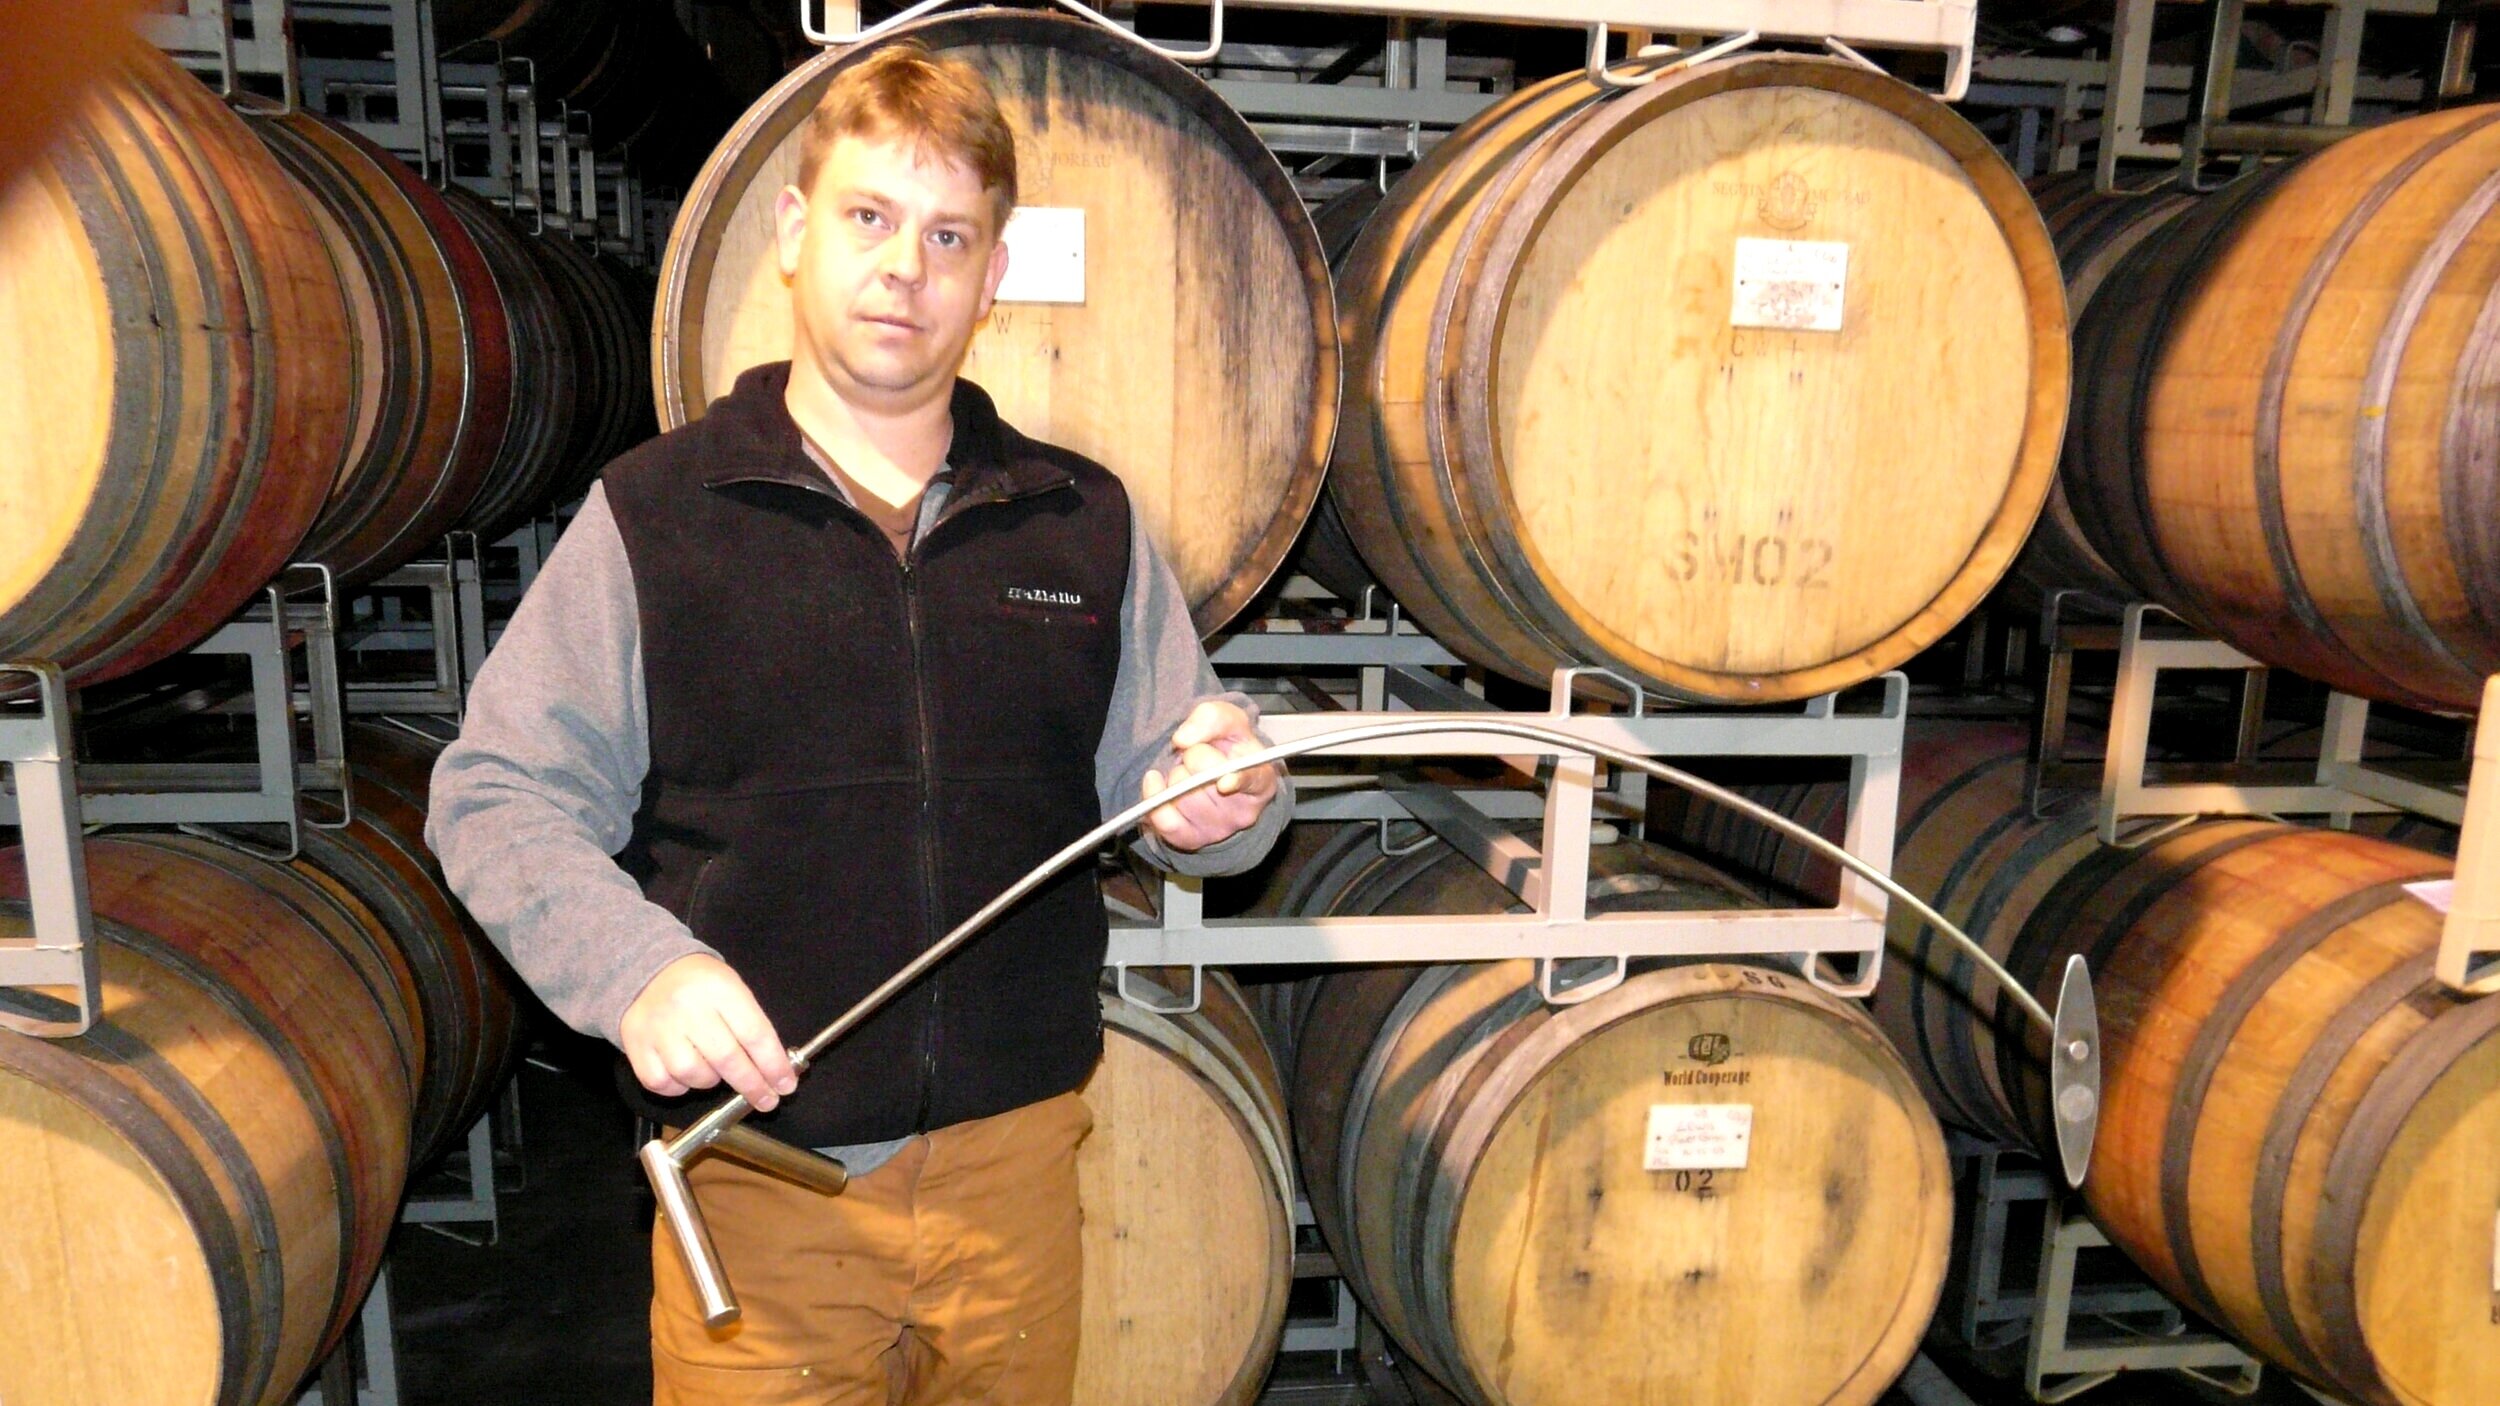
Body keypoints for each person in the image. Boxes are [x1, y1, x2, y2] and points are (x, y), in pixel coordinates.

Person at [426, 40, 1288, 1406]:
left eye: (950, 235)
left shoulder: (1082, 519)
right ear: (793, 234)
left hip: (1015, 1169)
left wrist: (1227, 797)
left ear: (992, 276)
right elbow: (495, 792)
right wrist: (635, 968)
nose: (906, 268)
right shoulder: (660, 516)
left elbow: (1187, 783)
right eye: (870, 219)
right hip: (766, 1175)